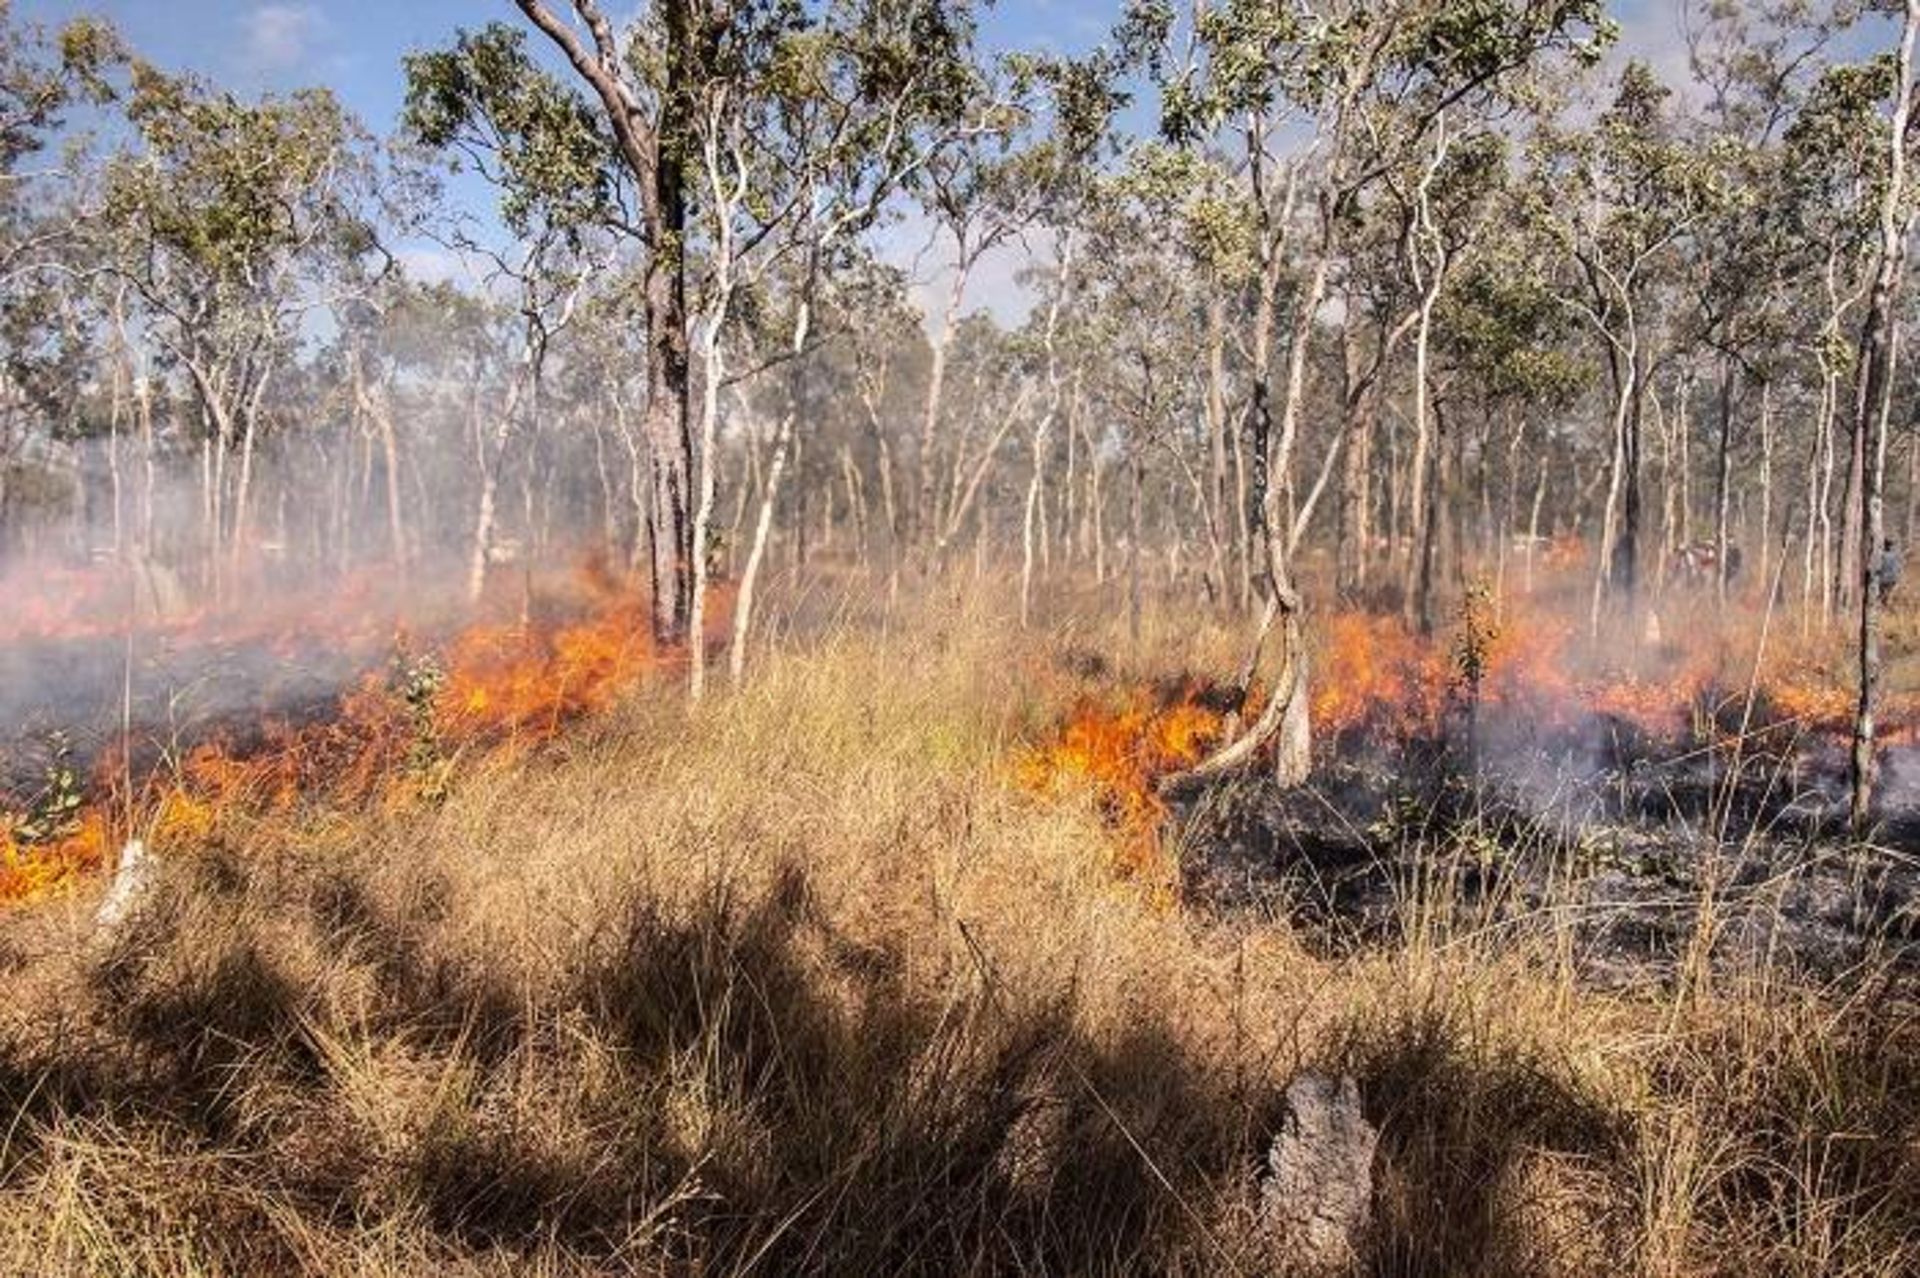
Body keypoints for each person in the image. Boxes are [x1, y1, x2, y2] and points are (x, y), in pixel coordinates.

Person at [1873, 537, 1902, 606]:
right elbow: (1898, 568)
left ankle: (1884, 605)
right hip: (1892, 578)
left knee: (1883, 594)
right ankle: (1885, 605)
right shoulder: (1895, 555)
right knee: (1887, 594)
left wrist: (1876, 572)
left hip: (1884, 579)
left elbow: (1878, 567)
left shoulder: (1882, 555)